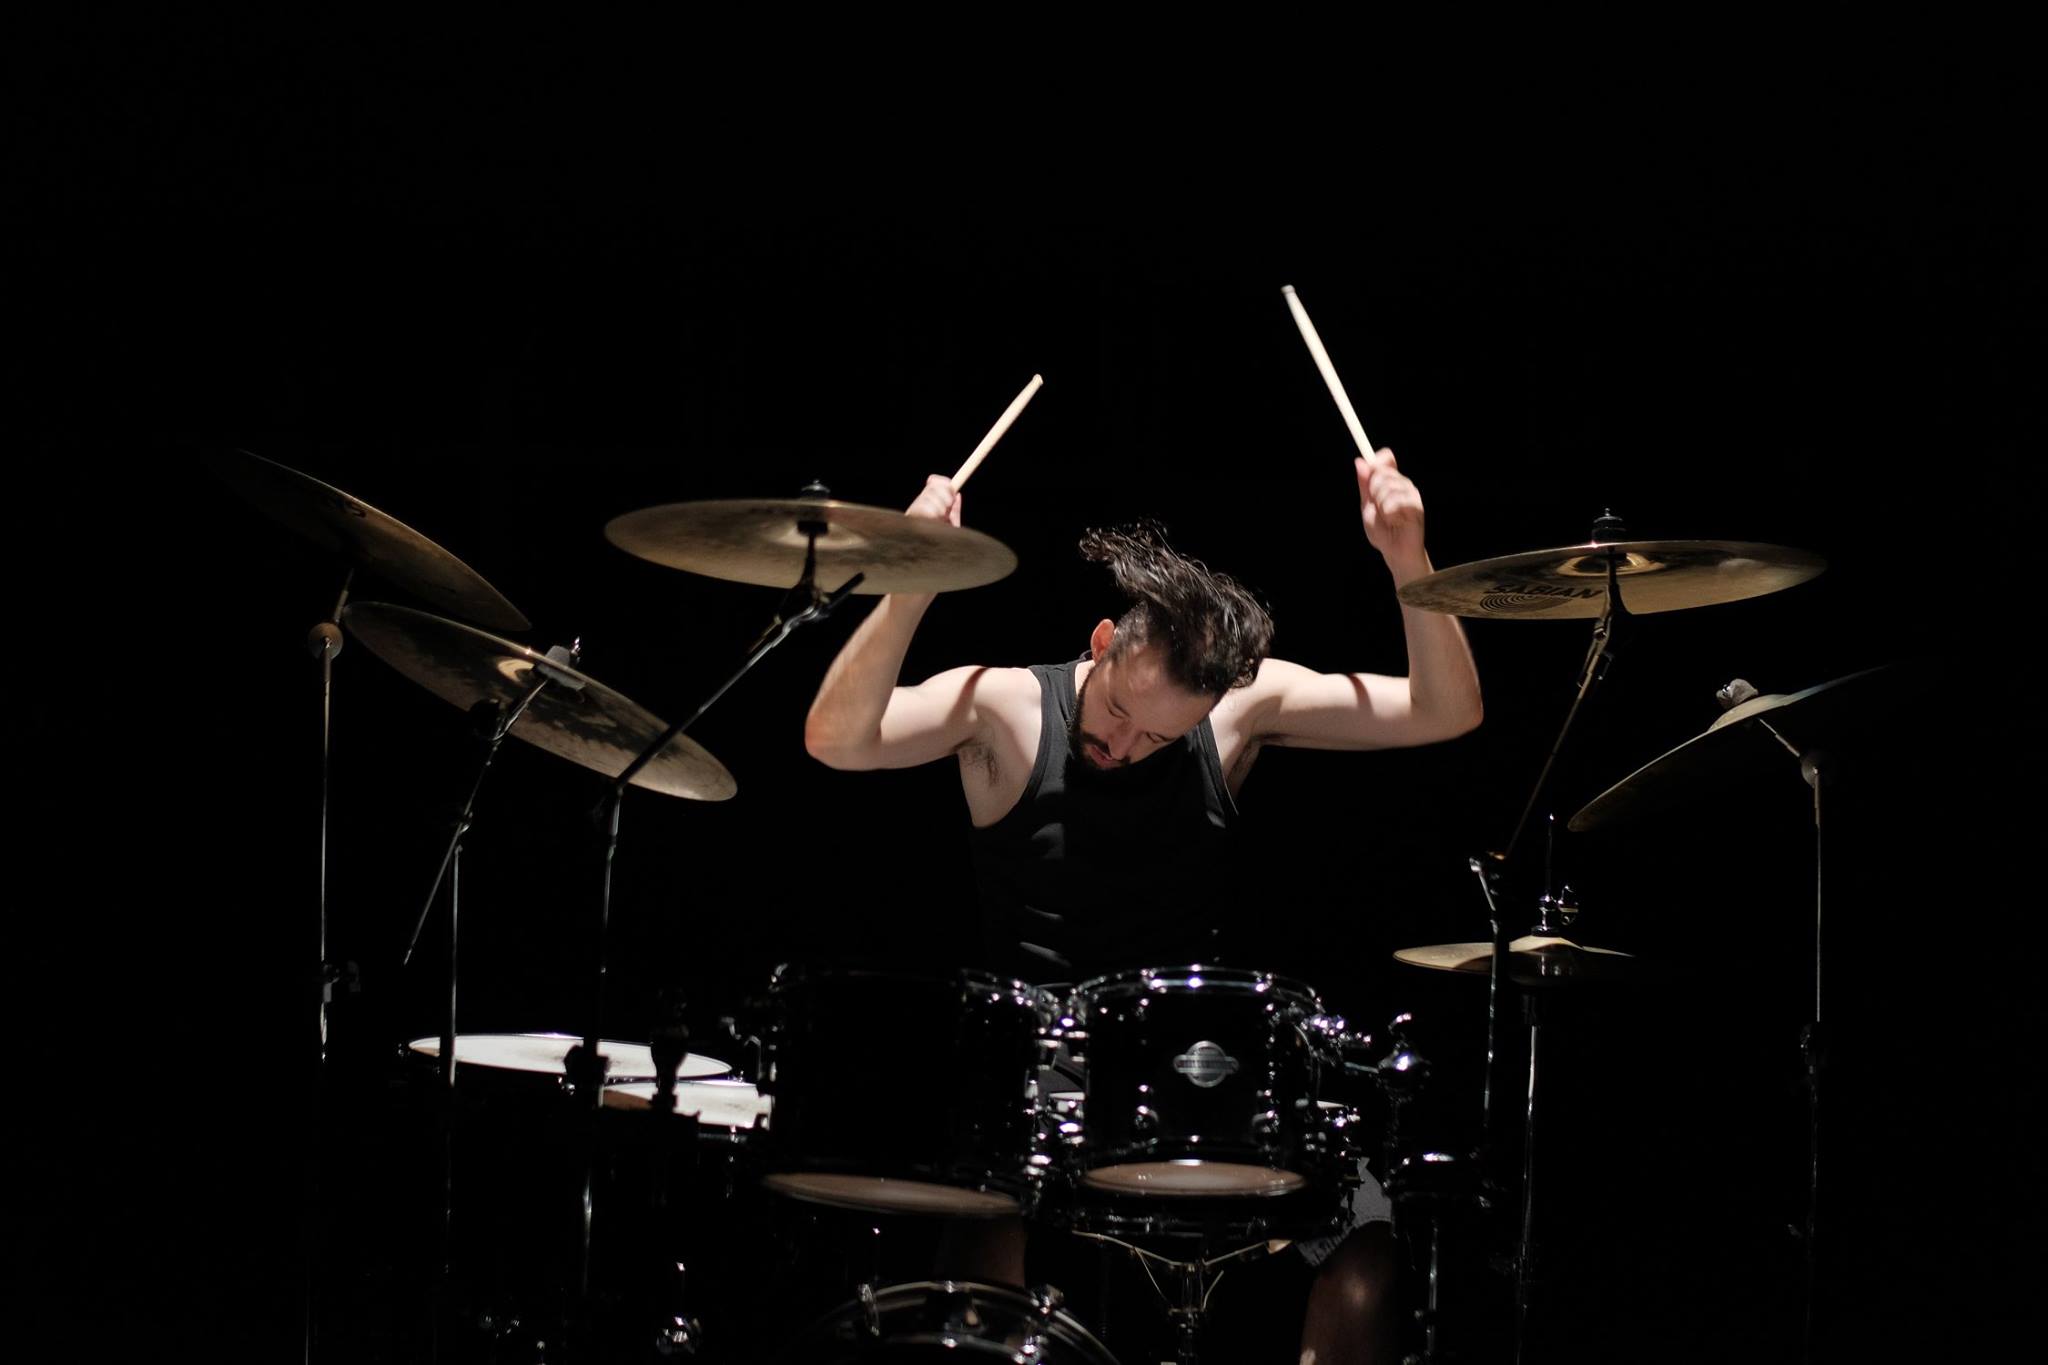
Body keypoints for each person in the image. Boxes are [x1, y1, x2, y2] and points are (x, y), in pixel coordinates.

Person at [803, 450, 1482, 1365]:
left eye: (1161, 735)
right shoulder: (1006, 707)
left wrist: (1408, 556)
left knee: (1368, 1246)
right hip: (1036, 1069)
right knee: (986, 1223)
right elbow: (837, 739)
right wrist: (909, 586)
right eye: (1120, 711)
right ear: (1099, 643)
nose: (1125, 745)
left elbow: (1446, 711)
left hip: (1184, 1064)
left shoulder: (1240, 710)